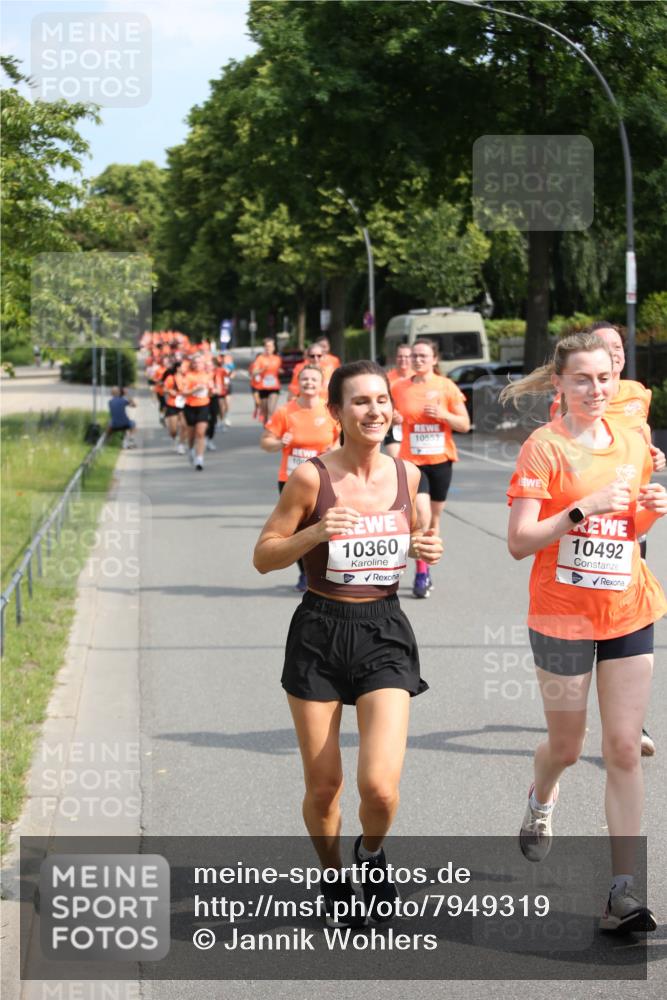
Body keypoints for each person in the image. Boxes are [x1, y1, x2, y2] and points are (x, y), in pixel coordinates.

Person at [253, 361, 442, 927]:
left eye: (381, 400)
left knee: (380, 788)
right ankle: (333, 874)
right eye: (360, 402)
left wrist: (423, 549)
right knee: (325, 785)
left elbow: (411, 540)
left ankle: (372, 855)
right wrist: (315, 531)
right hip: (319, 631)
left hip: (384, 630)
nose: (374, 411)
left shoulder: (408, 476)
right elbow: (264, 556)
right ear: (336, 413)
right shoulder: (311, 478)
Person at [503, 331, 666, 933]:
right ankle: (541, 797)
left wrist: (652, 504)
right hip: (561, 615)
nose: (595, 390)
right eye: (582, 379)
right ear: (560, 384)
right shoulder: (543, 448)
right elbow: (520, 542)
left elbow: (633, 525)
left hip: (628, 606)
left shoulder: (633, 441)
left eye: (603, 379)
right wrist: (581, 508)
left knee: (624, 747)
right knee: (568, 747)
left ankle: (622, 891)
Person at [550, 322, 665, 758]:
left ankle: (629, 722)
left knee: (625, 602)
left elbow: (643, 441)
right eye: (605, 347)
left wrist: (653, 459)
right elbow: (562, 450)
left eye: (618, 348)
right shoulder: (573, 402)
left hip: (628, 517)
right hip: (586, 520)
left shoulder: (636, 392)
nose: (614, 353)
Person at [391, 339, 470, 597]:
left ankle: (426, 561)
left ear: (434, 359)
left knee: (434, 521)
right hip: (413, 462)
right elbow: (384, 416)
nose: (417, 360)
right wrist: (392, 418)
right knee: (421, 515)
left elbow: (464, 424)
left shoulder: (446, 386)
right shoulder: (399, 388)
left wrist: (443, 415)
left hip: (441, 461)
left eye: (423, 356)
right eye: (414, 355)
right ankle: (421, 572)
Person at [261, 365, 340, 591]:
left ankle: (327, 570)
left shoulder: (330, 411)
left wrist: (333, 448)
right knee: (296, 530)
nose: (308, 383)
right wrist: (279, 443)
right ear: (298, 383)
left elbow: (342, 439)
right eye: (304, 379)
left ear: (321, 383)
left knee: (327, 525)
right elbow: (265, 442)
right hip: (291, 479)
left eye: (313, 380)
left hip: (325, 479)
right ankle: (305, 573)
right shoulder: (285, 412)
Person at [181, 353, 213, 470]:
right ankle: (191, 449)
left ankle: (200, 459)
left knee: (200, 433)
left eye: (199, 362)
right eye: (195, 362)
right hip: (190, 406)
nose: (197, 364)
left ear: (203, 364)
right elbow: (184, 392)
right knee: (191, 434)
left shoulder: (207, 375)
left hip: (203, 405)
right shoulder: (188, 376)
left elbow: (211, 392)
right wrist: (195, 389)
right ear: (192, 364)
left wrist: (212, 389)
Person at [384, 344, 414, 459]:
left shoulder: (417, 377)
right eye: (400, 356)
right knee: (398, 462)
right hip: (395, 426)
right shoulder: (386, 378)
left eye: (407, 356)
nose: (403, 360)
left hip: (414, 427)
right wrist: (392, 414)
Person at [249, 337, 283, 423]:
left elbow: (279, 369)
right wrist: (262, 370)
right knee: (265, 412)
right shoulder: (260, 358)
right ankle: (267, 429)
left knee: (271, 411)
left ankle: (270, 430)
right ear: (264, 347)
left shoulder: (277, 359)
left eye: (270, 346)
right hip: (262, 388)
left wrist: (281, 371)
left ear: (274, 348)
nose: (268, 348)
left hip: (274, 387)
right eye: (267, 346)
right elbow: (253, 372)